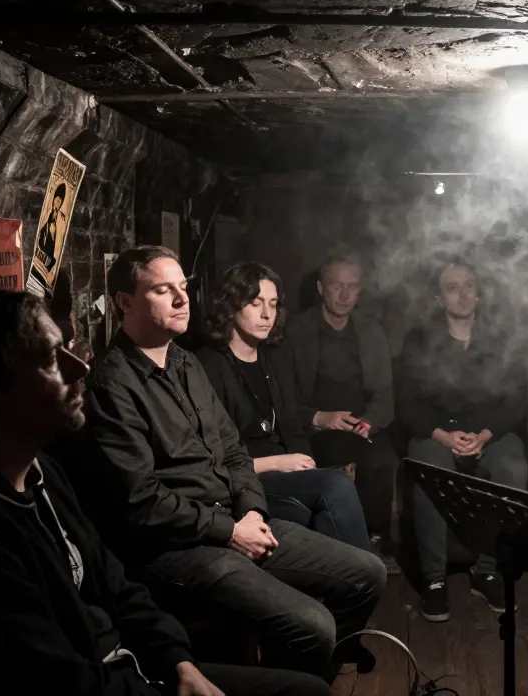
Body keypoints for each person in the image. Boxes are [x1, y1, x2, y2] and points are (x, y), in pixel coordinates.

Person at [0, 287, 329, 696]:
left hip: (136, 663)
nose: (79, 368)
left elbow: (116, 584)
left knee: (308, 688)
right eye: (50, 358)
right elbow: (49, 675)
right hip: (107, 678)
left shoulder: (42, 471)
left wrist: (178, 661)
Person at [77, 245, 386, 682]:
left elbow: (235, 451)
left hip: (234, 518)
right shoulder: (113, 382)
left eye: (183, 288)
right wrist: (229, 531)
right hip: (179, 547)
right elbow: (141, 501)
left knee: (368, 572)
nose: (182, 300)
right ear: (125, 302)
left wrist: (253, 511)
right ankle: (289, 684)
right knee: (313, 623)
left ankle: (303, 681)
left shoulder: (185, 363)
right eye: (163, 290)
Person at [198, 261, 372, 553]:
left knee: (332, 489)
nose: (267, 314)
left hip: (287, 470)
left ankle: (351, 575)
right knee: (335, 485)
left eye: (273, 304)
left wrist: (305, 461)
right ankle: (364, 574)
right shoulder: (208, 365)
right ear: (230, 307)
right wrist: (278, 463)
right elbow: (211, 461)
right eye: (256, 303)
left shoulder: (274, 357)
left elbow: (292, 424)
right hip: (245, 480)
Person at [397, 258, 528, 622]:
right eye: (452, 287)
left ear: (479, 293)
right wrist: (443, 436)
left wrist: (484, 436)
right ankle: (434, 580)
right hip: (437, 433)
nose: (463, 294)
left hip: (489, 432)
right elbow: (407, 403)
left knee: (513, 467)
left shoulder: (500, 339)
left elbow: (516, 400)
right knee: (428, 467)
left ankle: (486, 572)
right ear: (439, 298)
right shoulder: (420, 340)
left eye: (469, 284)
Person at [282, 254, 400, 572]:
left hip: (361, 425)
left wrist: (369, 422)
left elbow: (385, 394)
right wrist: (320, 418)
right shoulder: (297, 330)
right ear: (321, 288)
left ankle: (376, 539)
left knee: (382, 461)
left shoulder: (370, 331)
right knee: (324, 465)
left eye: (352, 286)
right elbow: (283, 396)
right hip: (315, 426)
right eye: (337, 286)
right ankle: (332, 549)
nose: (345, 295)